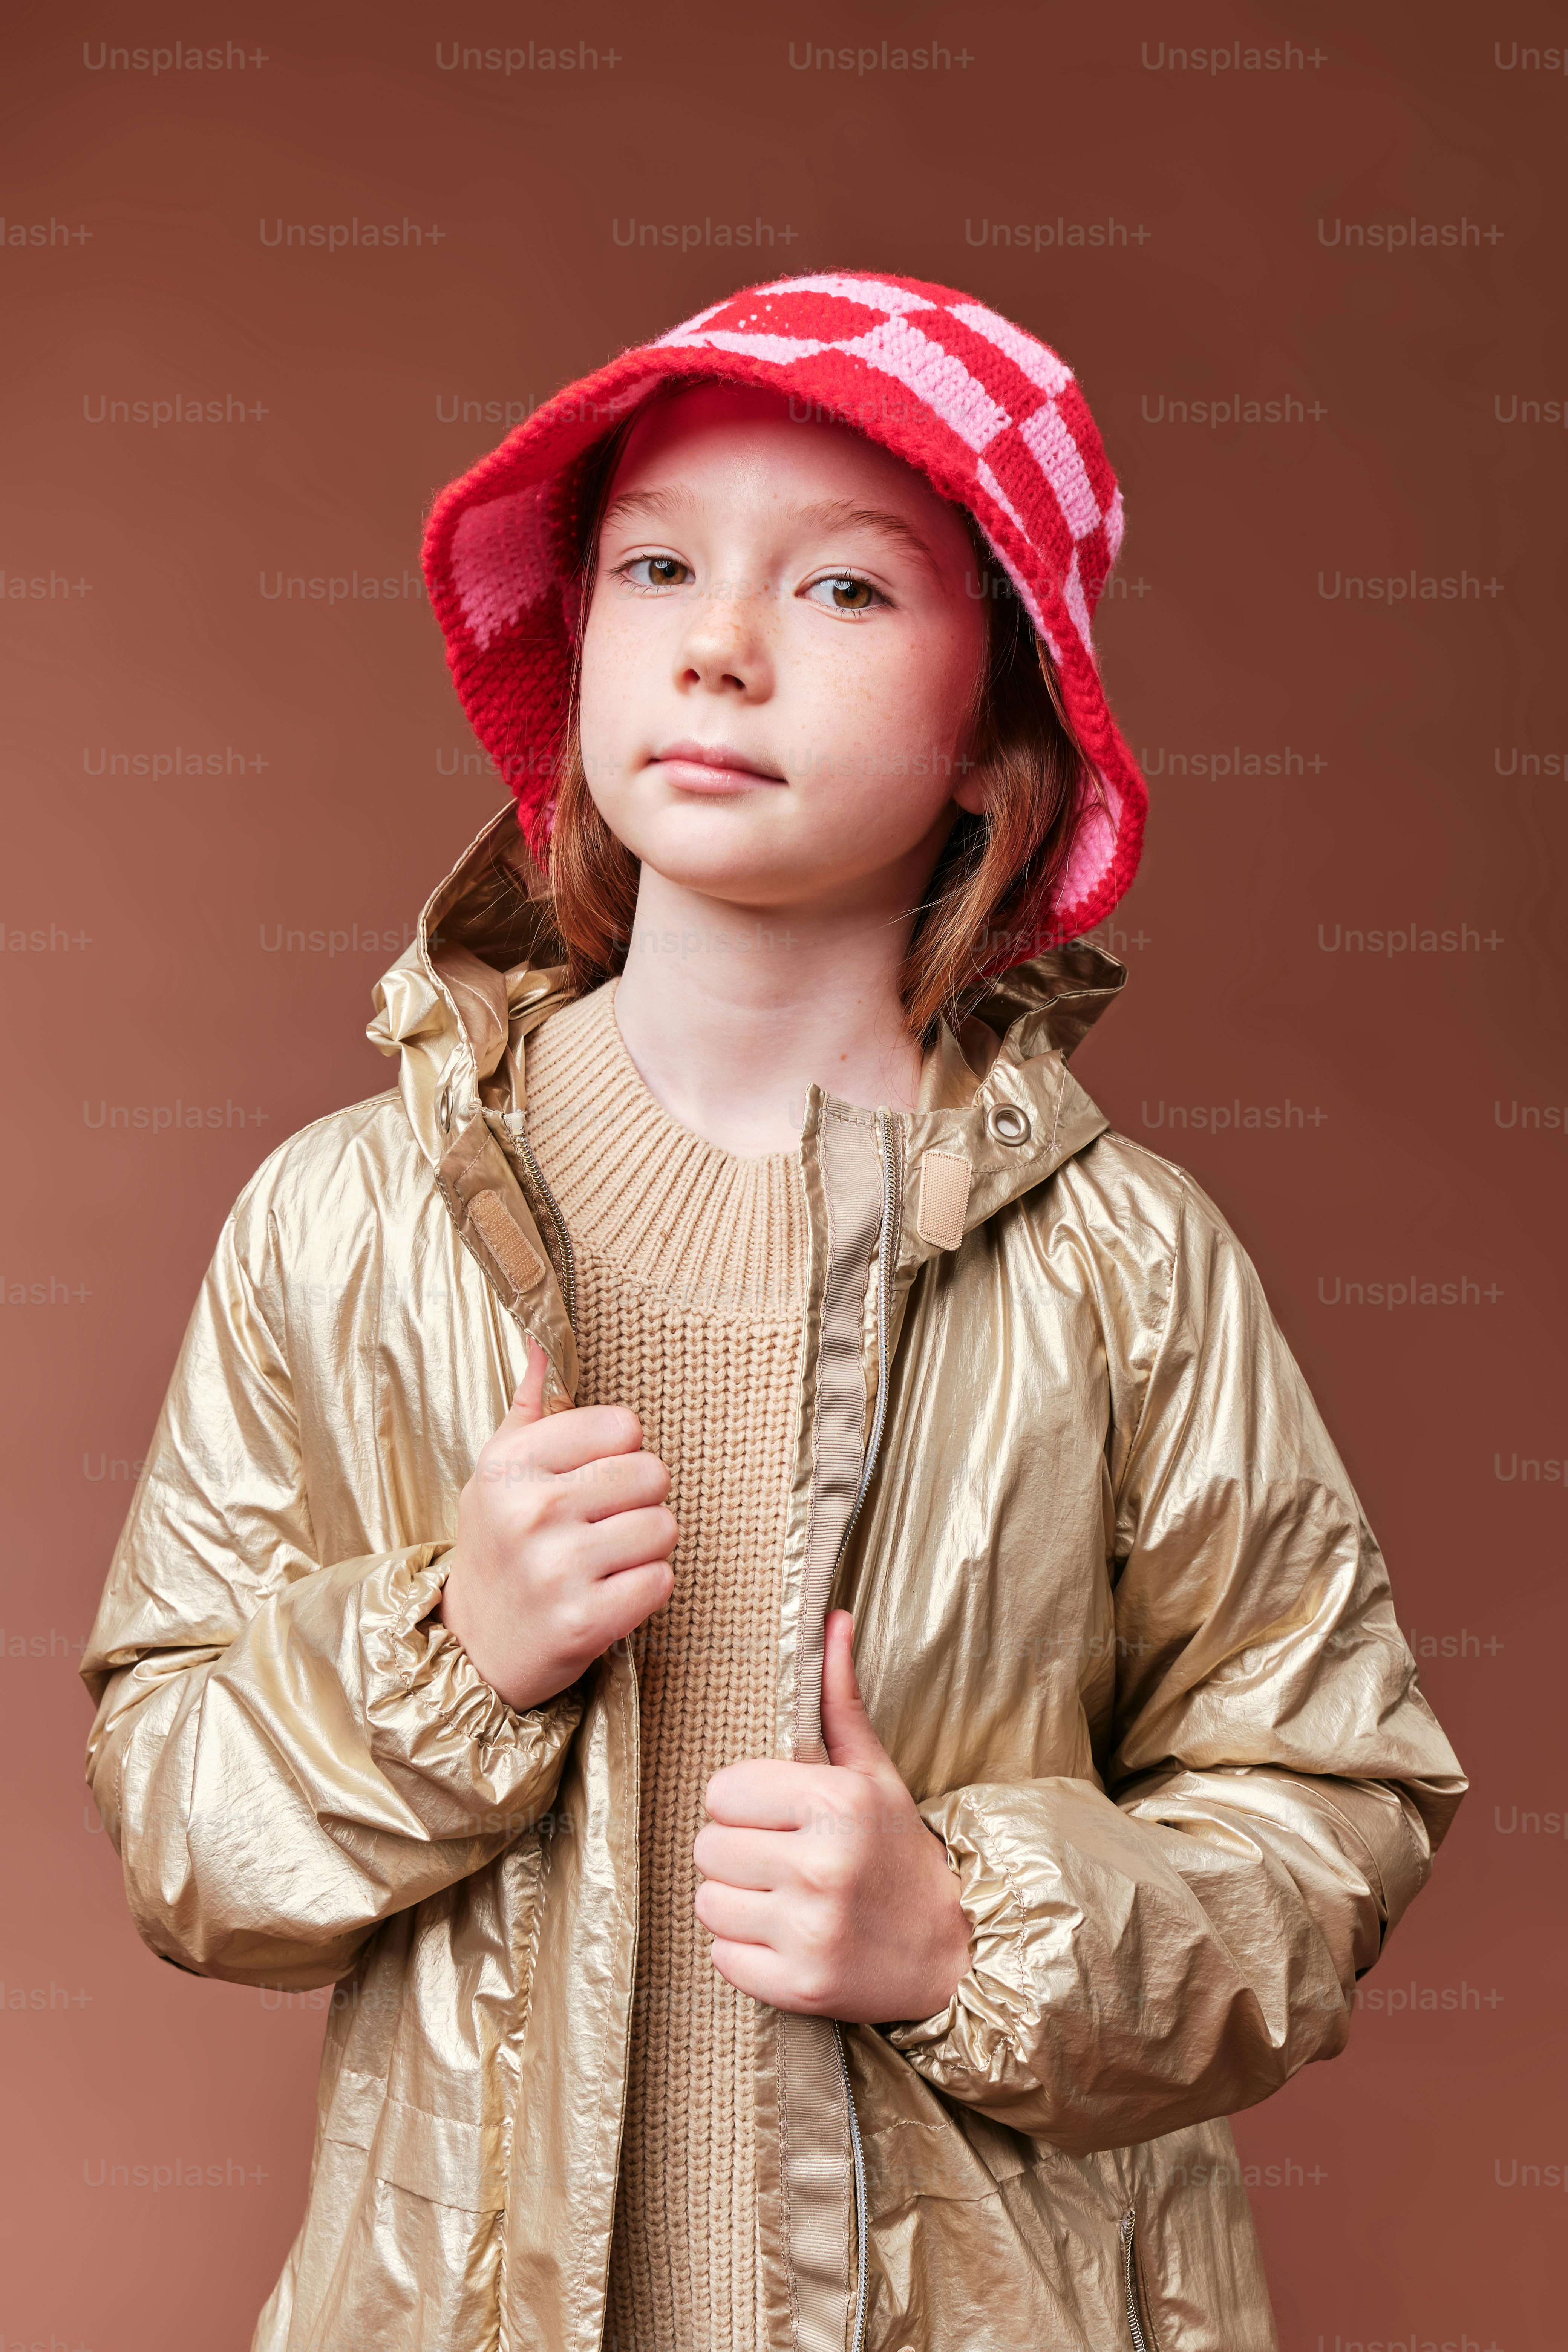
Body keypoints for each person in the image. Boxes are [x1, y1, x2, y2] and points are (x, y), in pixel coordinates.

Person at [82, 272, 1465, 2352]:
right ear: (575, 660)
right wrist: (443, 1656)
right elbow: (183, 1822)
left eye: (841, 593)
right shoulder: (345, 1223)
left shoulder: (1128, 1269)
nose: (721, 644)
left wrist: (969, 1934)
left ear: (1006, 735)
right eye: (657, 565)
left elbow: (1330, 1810)